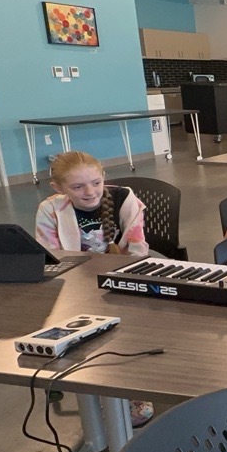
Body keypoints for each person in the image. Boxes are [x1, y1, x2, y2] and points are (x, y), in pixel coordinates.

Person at [33, 150, 154, 427]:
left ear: (103, 178)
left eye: (96, 183)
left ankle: (128, 383)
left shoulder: (125, 198)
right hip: (76, 280)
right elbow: (53, 259)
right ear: (59, 188)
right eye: (77, 187)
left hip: (121, 272)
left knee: (133, 322)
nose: (90, 192)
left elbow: (137, 249)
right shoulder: (49, 210)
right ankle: (93, 383)